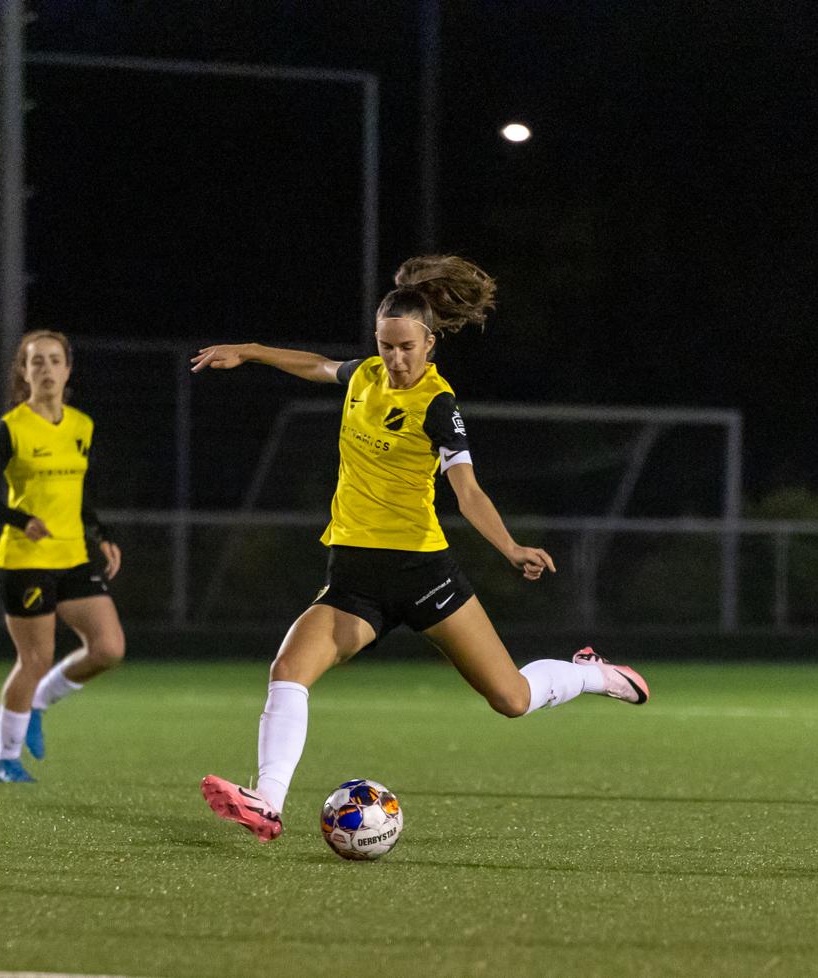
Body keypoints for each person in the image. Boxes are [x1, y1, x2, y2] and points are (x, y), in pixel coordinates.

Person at [190, 256, 649, 842]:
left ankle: (590, 675)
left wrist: (509, 547)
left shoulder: (438, 405)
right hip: (354, 577)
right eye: (386, 346)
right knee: (288, 670)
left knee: (511, 698)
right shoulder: (364, 380)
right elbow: (319, 366)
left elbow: (468, 490)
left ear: (430, 343)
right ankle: (267, 802)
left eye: (406, 347)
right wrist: (250, 350)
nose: (395, 359)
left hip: (422, 573)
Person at [0, 330, 124, 783]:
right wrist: (21, 520)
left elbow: (79, 492)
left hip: (73, 555)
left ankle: (38, 701)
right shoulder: (12, 426)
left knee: (109, 648)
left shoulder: (81, 425)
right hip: (25, 559)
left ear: (67, 369)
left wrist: (102, 532)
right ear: (23, 371)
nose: (46, 369)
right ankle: (3, 756)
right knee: (34, 659)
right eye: (36, 362)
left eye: (54, 360)